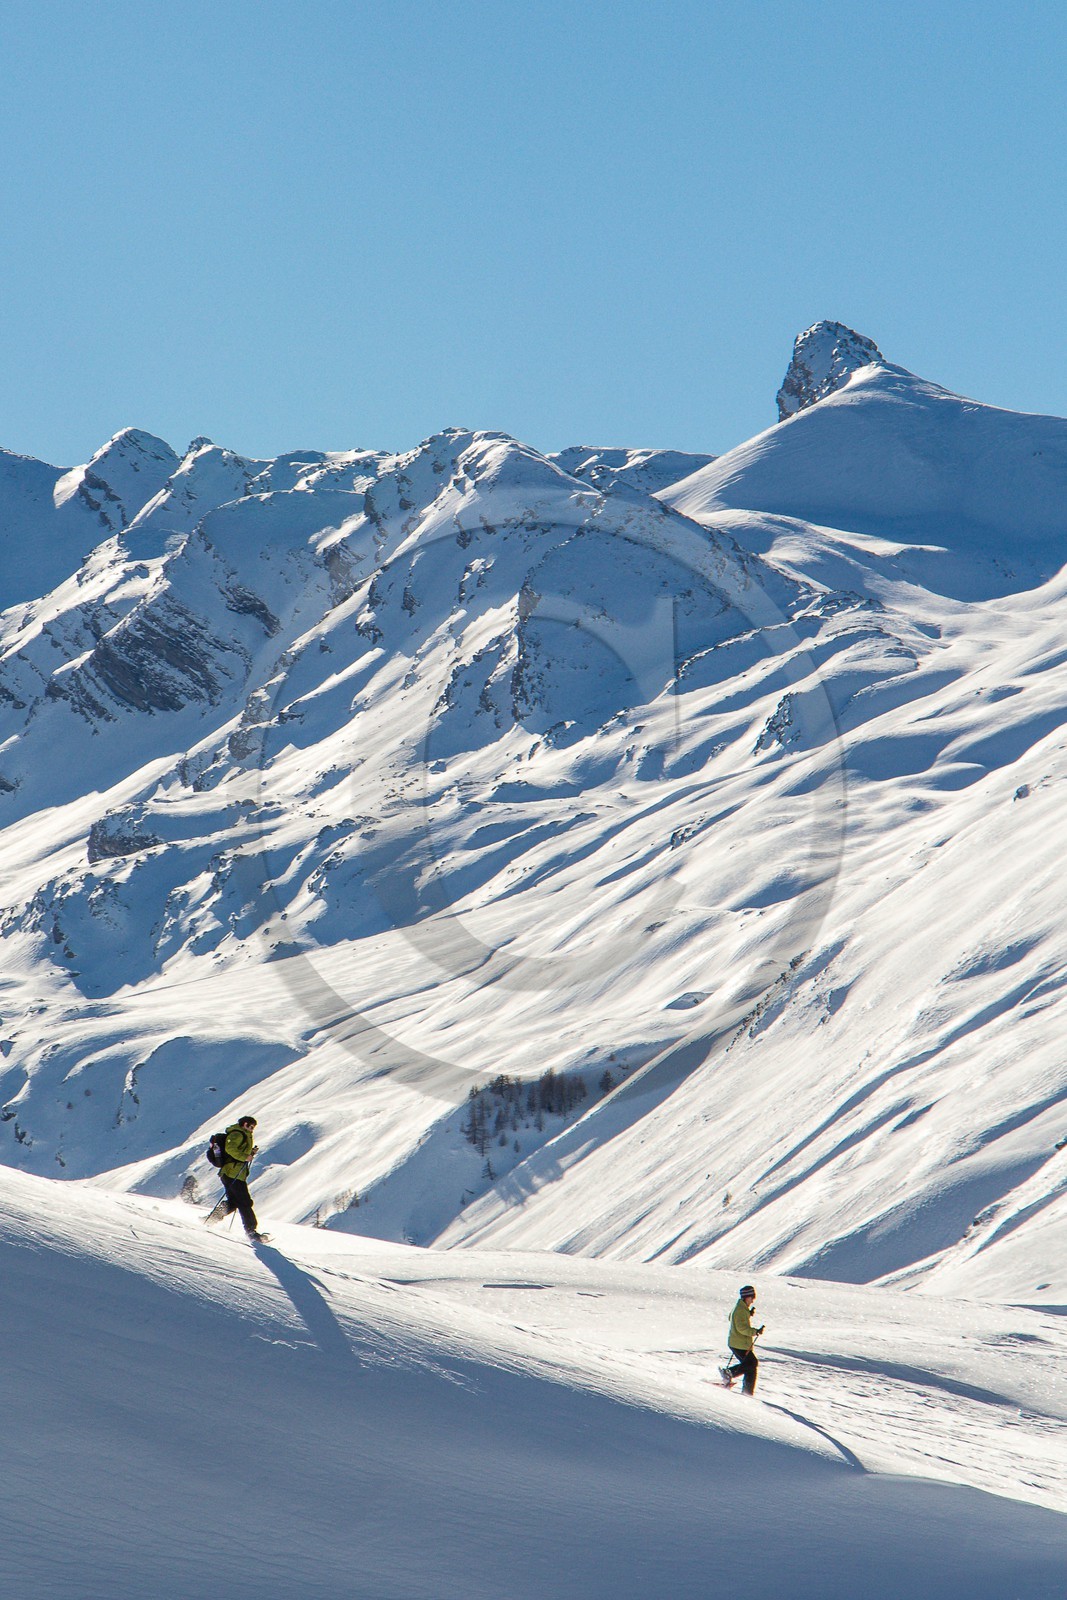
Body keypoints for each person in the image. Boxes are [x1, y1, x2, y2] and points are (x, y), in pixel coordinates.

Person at [206, 1114, 265, 1241]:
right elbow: (230, 1149)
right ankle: (251, 1232)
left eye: (253, 1127)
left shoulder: (242, 1135)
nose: (252, 1129)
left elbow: (235, 1151)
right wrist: (245, 1157)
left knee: (234, 1202)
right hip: (233, 1173)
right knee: (245, 1202)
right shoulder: (237, 1134)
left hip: (231, 1173)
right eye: (250, 1126)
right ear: (245, 1124)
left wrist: (249, 1154)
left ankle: (211, 1220)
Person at [720, 1284, 764, 1395]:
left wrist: (748, 1314)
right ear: (747, 1297)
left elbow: (732, 1317)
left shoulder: (741, 1308)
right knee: (751, 1363)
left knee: (751, 1366)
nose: (753, 1300)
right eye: (752, 1298)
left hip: (738, 1343)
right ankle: (729, 1373)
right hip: (739, 1344)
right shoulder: (740, 1310)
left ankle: (747, 1392)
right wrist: (755, 1331)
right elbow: (741, 1328)